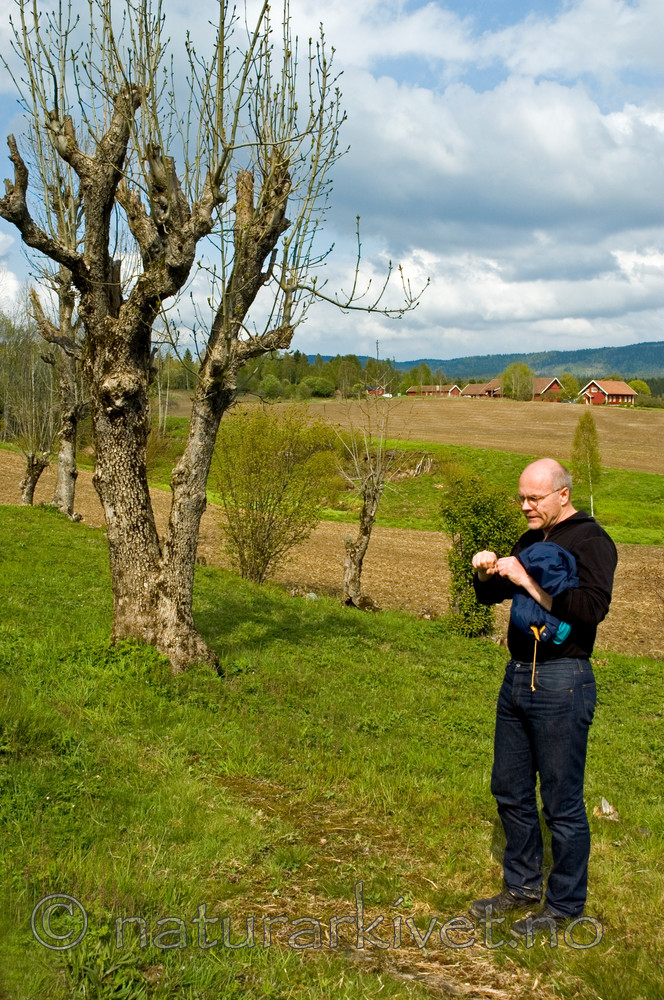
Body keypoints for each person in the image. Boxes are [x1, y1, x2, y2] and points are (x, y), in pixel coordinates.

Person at [468, 458, 617, 938]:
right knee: (509, 789)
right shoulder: (533, 539)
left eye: (534, 498)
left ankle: (565, 907)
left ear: (563, 495)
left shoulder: (592, 541)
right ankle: (523, 886)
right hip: (517, 676)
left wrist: (527, 580)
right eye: (522, 498)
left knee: (561, 802)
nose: (526, 506)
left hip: (562, 679)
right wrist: (487, 571)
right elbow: (489, 599)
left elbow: (591, 610)